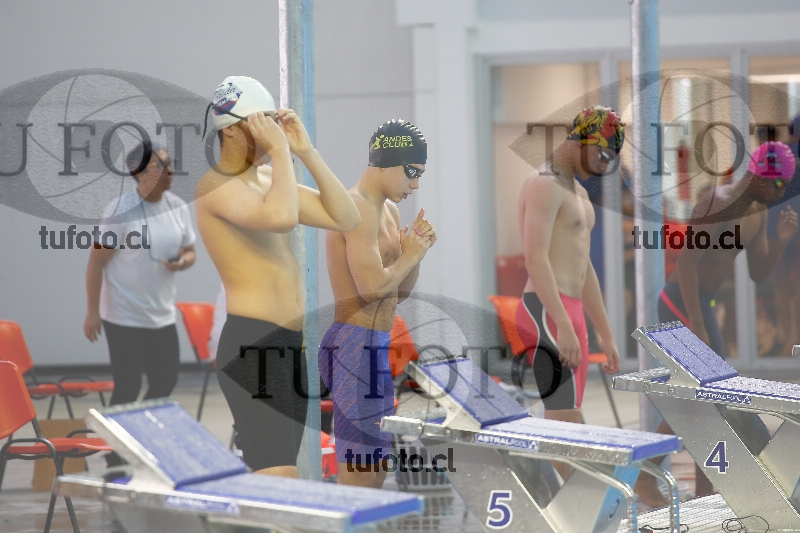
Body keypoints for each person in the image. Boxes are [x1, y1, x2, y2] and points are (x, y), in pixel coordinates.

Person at [195, 76, 359, 477]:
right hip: (252, 345)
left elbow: (346, 217)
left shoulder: (270, 179)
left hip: (288, 346)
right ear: (230, 129)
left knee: (283, 481)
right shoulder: (215, 185)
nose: (271, 131)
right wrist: (283, 153)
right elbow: (281, 218)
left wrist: (306, 152)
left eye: (273, 120)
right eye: (262, 121)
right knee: (279, 478)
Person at [643, 140, 798, 499]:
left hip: (703, 304)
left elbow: (758, 273)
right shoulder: (718, 203)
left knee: (708, 401)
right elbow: (687, 263)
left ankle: (701, 491)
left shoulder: (758, 212)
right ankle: (647, 474)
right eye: (779, 184)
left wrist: (780, 240)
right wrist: (697, 322)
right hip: (681, 302)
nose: (781, 193)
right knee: (705, 400)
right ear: (761, 174)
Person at [320, 119, 435, 488]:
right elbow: (371, 290)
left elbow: (397, 293)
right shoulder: (356, 207)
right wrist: (408, 256)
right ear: (386, 162)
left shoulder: (388, 211)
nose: (416, 184)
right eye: (412, 172)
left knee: (378, 467)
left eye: (420, 174)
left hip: (376, 344)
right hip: (353, 345)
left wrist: (415, 254)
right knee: (360, 470)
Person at [514, 106, 622, 483]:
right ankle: (558, 506)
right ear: (582, 140)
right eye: (603, 154)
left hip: (568, 312)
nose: (604, 166)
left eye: (611, 160)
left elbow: (584, 267)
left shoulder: (578, 191)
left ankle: (563, 503)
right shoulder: (543, 183)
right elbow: (535, 259)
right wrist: (561, 322)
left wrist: (605, 332)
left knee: (568, 419)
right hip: (546, 311)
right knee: (564, 422)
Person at [84, 141, 196, 464]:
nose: (169, 171)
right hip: (123, 316)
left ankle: (138, 441)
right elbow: (96, 263)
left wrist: (182, 263)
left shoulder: (177, 207)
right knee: (128, 387)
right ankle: (115, 457)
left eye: (170, 164)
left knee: (165, 382)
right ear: (138, 172)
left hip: (161, 315)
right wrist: (92, 311)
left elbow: (191, 251)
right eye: (161, 166)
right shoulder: (119, 211)